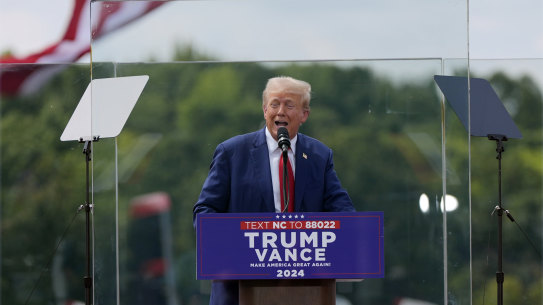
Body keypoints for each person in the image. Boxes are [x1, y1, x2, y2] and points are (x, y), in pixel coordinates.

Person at [193, 76, 355, 305]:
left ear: (304, 114)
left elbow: (343, 212)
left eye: (289, 105)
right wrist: (234, 243)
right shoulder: (232, 153)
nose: (280, 111)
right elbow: (205, 211)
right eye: (274, 104)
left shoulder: (319, 156)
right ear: (264, 109)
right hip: (238, 292)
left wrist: (349, 234)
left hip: (304, 291)